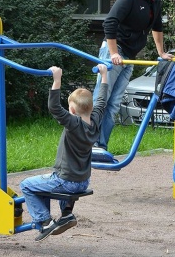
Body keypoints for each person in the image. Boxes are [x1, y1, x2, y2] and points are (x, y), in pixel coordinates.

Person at [20, 64, 108, 242]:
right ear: (91, 107)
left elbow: (54, 108)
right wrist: (104, 76)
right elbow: (102, 99)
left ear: (73, 110)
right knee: (44, 185)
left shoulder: (73, 123)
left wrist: (57, 79)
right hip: (82, 181)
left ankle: (44, 221)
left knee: (26, 185)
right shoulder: (96, 119)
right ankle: (67, 212)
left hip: (65, 181)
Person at [92, 0, 174, 150]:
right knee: (101, 99)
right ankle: (89, 144)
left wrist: (161, 52)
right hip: (114, 51)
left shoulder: (155, 2)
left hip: (129, 56)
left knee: (114, 104)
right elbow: (110, 22)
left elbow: (158, 27)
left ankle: (101, 146)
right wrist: (113, 53)